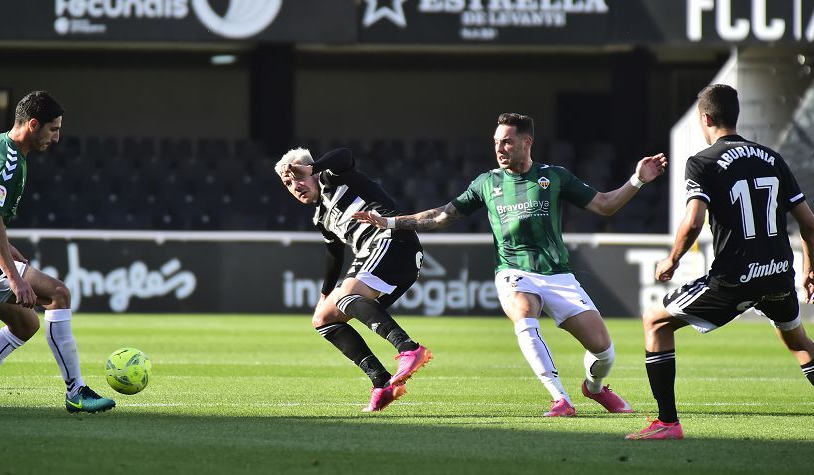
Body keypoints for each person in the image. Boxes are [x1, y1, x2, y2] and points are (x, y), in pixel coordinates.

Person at [354, 113, 667, 417]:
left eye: (506, 142)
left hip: (558, 274)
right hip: (513, 271)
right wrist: (391, 223)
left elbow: (604, 204)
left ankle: (595, 387)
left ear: (526, 142)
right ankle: (560, 398)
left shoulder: (554, 176)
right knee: (523, 313)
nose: (499, 149)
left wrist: (638, 179)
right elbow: (442, 216)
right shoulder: (486, 183)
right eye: (496, 142)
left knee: (603, 351)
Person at [628, 84, 814, 440]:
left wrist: (671, 260)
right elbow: (809, 224)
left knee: (655, 322)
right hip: (778, 273)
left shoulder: (702, 162)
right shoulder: (772, 158)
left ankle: (667, 423)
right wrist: (811, 269)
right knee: (797, 340)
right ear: (736, 116)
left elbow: (692, 222)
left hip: (735, 277)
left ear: (705, 118)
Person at [0, 91, 115, 416]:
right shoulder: (9, 164)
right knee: (59, 293)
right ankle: (76, 392)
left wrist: (8, 250)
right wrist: (14, 279)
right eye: (53, 129)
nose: (57, 137)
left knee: (26, 325)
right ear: (33, 124)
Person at [275, 147, 433, 413]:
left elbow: (345, 155)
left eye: (299, 176)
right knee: (323, 319)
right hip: (390, 259)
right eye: (288, 183)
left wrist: (314, 168)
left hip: (392, 240)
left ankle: (409, 349)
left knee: (348, 295)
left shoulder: (335, 179)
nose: (296, 185)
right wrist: (324, 296)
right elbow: (333, 255)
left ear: (314, 171)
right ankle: (382, 382)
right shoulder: (321, 217)